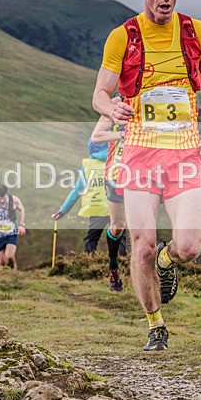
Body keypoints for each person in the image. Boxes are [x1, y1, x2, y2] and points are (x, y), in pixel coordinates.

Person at [92, 0, 201, 351]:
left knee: (189, 248)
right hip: (139, 156)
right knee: (142, 243)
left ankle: (168, 263)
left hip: (183, 155)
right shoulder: (123, 37)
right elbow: (100, 92)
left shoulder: (196, 31)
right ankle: (155, 325)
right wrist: (109, 107)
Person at [52, 140, 127, 264]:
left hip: (96, 207)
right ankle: (122, 266)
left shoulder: (88, 166)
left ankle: (88, 265)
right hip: (116, 205)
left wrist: (63, 210)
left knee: (91, 239)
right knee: (119, 237)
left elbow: (77, 191)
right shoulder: (117, 162)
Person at [90, 108, 128, 292]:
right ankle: (113, 267)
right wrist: (121, 134)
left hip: (145, 171)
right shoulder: (113, 108)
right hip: (116, 173)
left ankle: (146, 274)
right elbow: (96, 136)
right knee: (118, 225)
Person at [0, 184, 26, 270]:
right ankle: (0, 276)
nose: (1, 198)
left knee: (9, 258)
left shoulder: (13, 200)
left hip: (11, 233)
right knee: (1, 262)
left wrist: (21, 225)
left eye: (3, 195)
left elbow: (22, 209)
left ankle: (14, 278)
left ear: (6, 192)